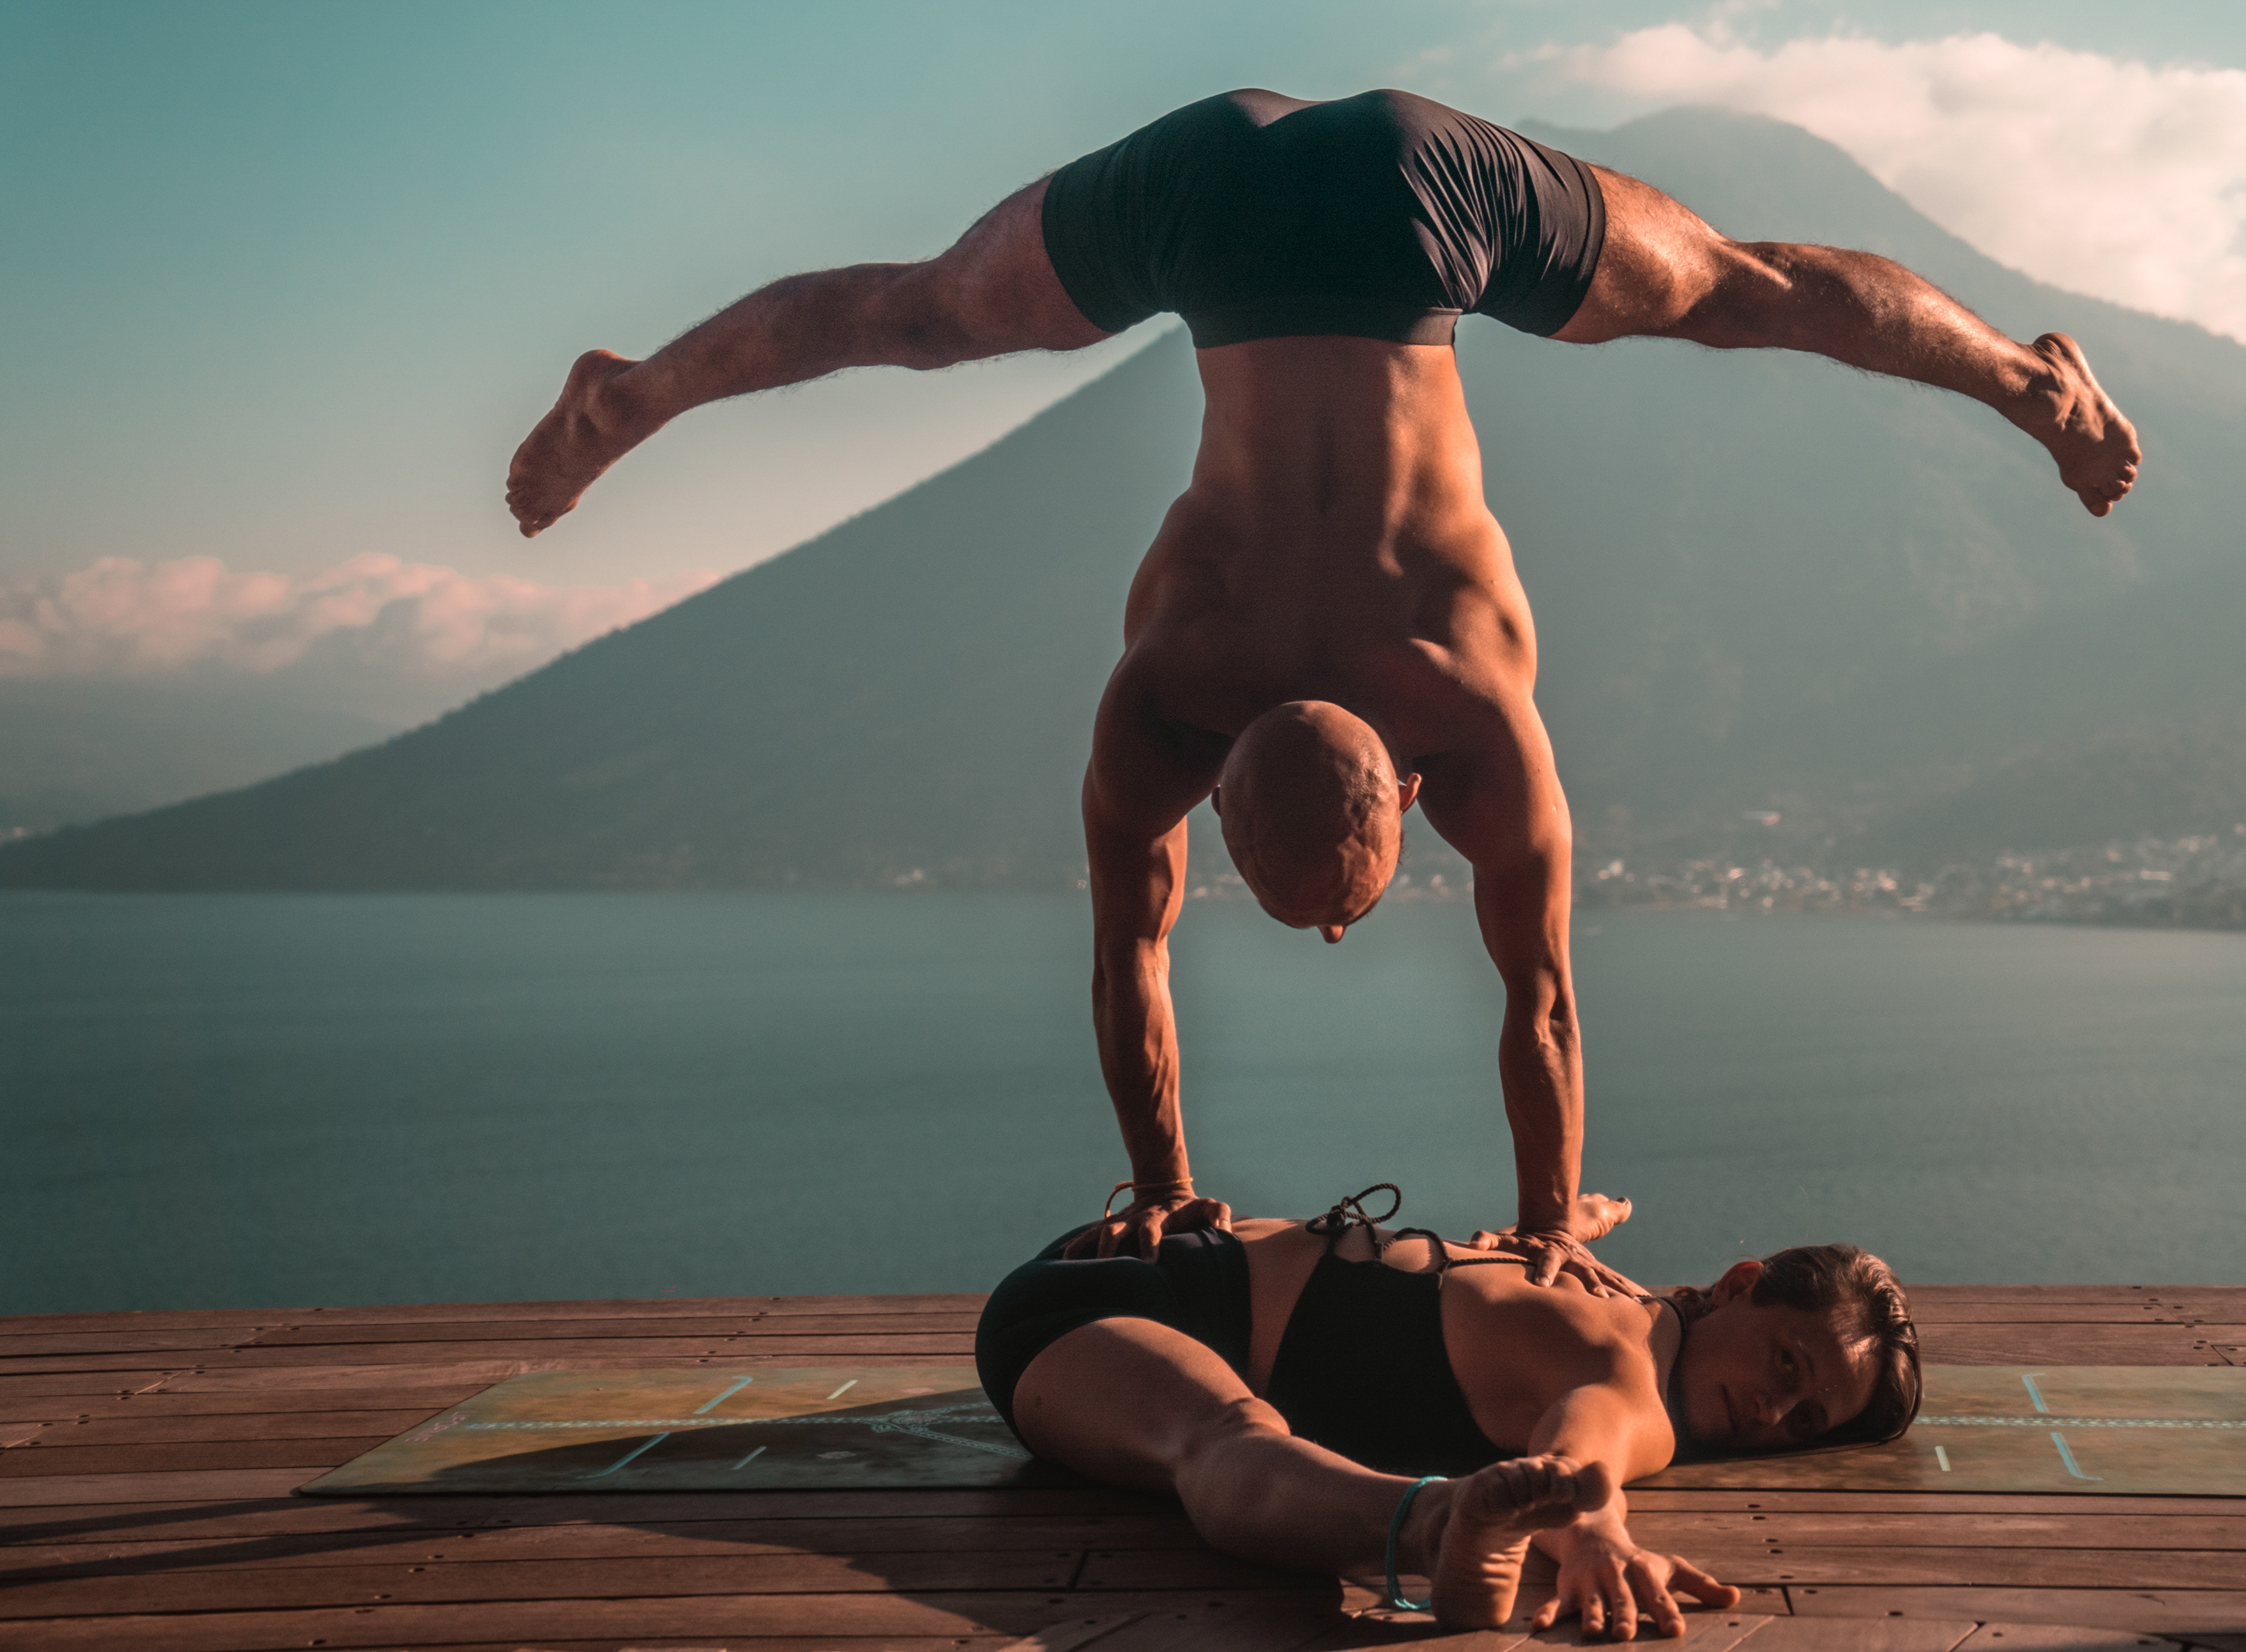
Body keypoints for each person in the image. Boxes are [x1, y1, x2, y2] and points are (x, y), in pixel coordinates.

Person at [505, 88, 2142, 1287]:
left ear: (1226, 792)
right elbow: (1521, 998)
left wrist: (1173, 1191)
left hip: (1317, 190)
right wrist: (1544, 1224)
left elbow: (1168, 956)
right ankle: (2031, 380)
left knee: (925, 312)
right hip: (1343, 189)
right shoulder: (1239, 688)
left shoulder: (1339, 690)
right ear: (1397, 788)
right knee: (1740, 288)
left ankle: (629, 396)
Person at [974, 1187, 1920, 1640]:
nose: (1773, 1408)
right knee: (1218, 1441)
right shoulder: (1641, 1378)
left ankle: (1441, 1520)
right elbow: (1588, 1441)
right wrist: (1591, 1534)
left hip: (1141, 1269)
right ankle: (1434, 1523)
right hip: (1076, 1314)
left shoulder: (1620, 1301)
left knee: (1233, 1431)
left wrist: (1572, 1224)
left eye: (1805, 1419)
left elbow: (1578, 1421)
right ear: (1741, 1285)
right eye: (1787, 1363)